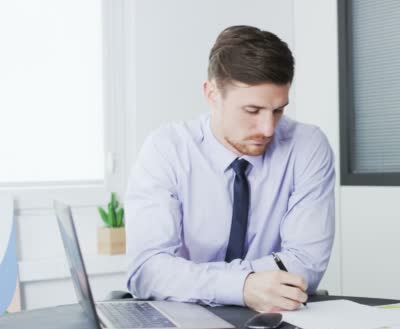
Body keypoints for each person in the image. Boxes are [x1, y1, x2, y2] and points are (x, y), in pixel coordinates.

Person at [124, 25, 335, 313]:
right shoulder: (166, 149)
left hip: (272, 317)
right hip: (186, 315)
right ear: (212, 94)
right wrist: (243, 286)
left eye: (278, 110)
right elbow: (146, 270)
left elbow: (305, 264)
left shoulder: (307, 146)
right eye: (252, 111)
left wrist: (188, 276)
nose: (268, 128)